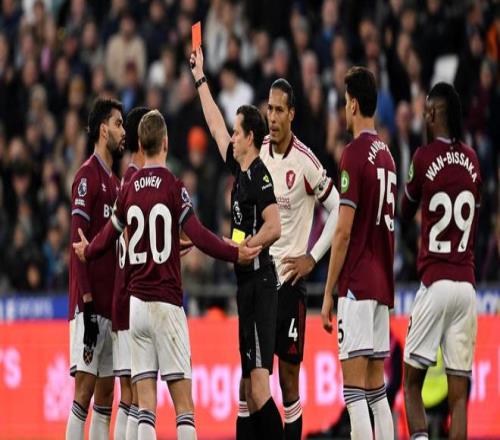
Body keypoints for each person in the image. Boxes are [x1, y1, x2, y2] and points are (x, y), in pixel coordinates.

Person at [73, 109, 261, 440]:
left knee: (144, 404)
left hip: (136, 308)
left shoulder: (128, 188)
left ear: (140, 143)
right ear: (165, 143)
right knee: (183, 405)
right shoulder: (174, 186)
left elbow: (107, 236)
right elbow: (199, 234)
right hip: (166, 302)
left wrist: (87, 251)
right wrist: (235, 252)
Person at [190, 48, 284, 438]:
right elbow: (214, 126)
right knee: (245, 390)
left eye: (236, 131)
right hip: (246, 286)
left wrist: (248, 247)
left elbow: (275, 226)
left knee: (259, 388)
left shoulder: (259, 176)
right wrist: (200, 78)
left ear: (250, 138)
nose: (230, 135)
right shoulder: (240, 168)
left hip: (260, 284)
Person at [400, 82, 481, 440]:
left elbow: (405, 210)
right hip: (467, 286)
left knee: (411, 384)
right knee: (459, 398)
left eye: (425, 111)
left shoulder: (423, 157)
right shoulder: (473, 159)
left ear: (433, 114)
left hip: (435, 282)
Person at [262, 78, 339, 440]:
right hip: (260, 284)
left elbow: (338, 208)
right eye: (269, 109)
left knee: (289, 381)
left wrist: (313, 257)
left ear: (291, 114)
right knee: (253, 381)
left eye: (279, 110)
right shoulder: (257, 153)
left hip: (291, 284)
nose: (272, 117)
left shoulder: (305, 162)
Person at [321, 66, 396, 440]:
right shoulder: (387, 156)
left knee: (353, 395)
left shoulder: (353, 154)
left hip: (357, 285)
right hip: (382, 285)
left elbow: (343, 230)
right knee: (376, 391)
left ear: (352, 104)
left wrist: (328, 292)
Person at [66, 98, 125, 440]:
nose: (123, 132)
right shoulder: (87, 177)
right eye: (118, 124)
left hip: (109, 307)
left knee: (105, 399)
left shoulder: (116, 184)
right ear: (104, 130)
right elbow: (77, 246)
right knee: (83, 393)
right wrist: (86, 304)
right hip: (89, 307)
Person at [112, 106, 149, 440]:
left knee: (130, 392)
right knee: (136, 392)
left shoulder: (128, 177)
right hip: (131, 293)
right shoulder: (137, 179)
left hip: (122, 293)